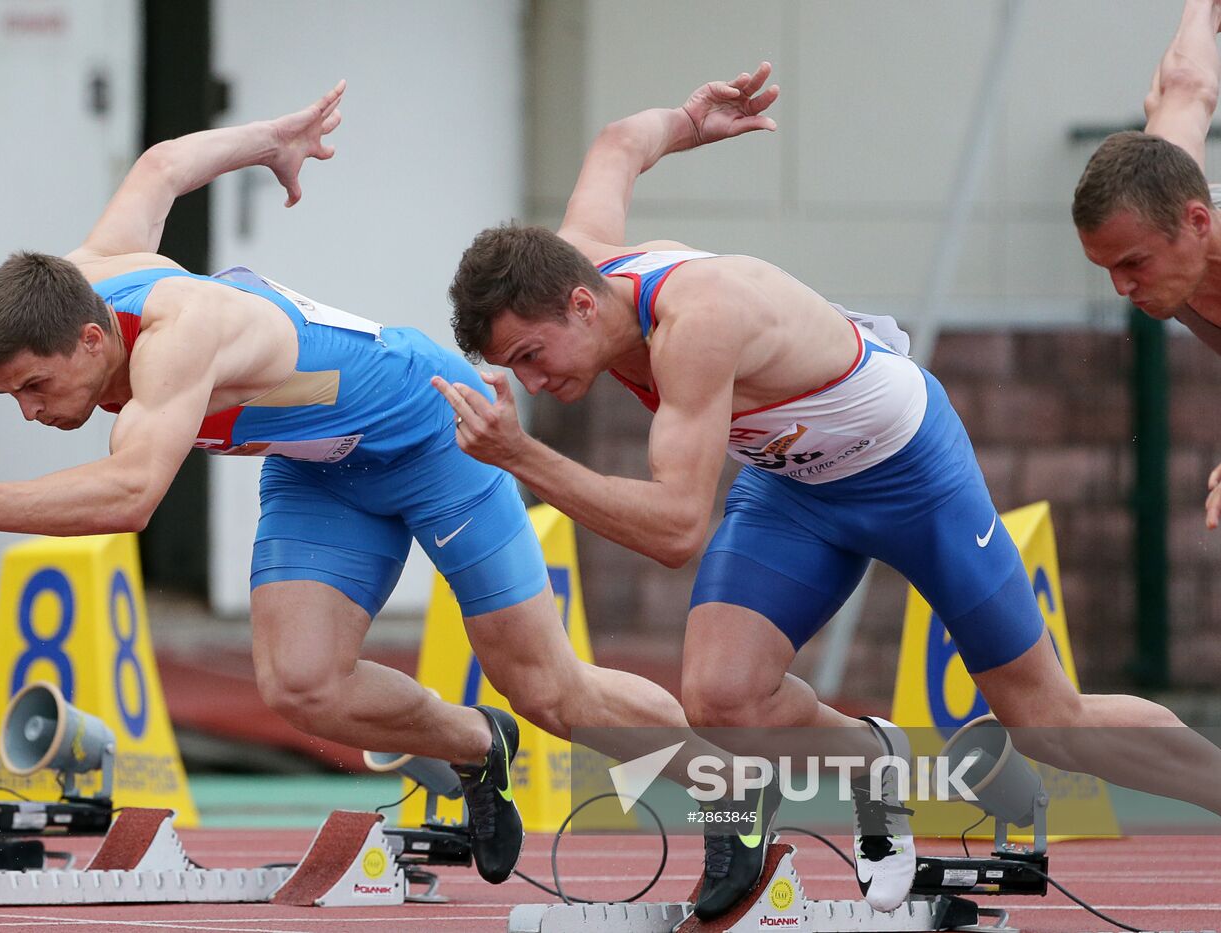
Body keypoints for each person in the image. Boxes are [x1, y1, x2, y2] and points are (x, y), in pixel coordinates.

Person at [0, 82, 693, 887]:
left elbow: (129, 498)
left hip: (435, 436)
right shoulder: (87, 271)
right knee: (301, 685)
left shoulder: (176, 336)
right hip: (324, 468)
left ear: (94, 339)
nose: (28, 412)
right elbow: (162, 165)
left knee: (548, 689)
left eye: (34, 388)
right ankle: (475, 745)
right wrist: (269, 140)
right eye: (10, 394)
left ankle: (732, 783)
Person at [438, 65, 1221, 917]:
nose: (532, 381)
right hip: (795, 488)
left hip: (911, 473)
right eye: (510, 368)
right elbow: (618, 145)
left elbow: (674, 530)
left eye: (530, 357)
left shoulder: (695, 324)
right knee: (723, 698)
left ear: (584, 306)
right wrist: (690, 119)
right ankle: (873, 759)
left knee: (1046, 721)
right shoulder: (576, 261)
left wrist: (520, 456)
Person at [1073, 0, 1221, 530]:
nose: (1121, 287)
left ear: (1197, 223)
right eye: (1106, 267)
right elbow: (1187, 84)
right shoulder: (1164, 175)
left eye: (1133, 263)